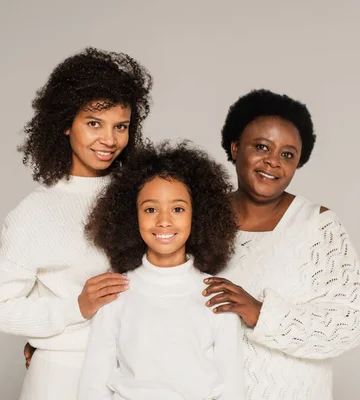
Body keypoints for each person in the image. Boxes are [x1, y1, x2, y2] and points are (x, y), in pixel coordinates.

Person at [0, 47, 152, 400]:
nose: (109, 139)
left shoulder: (145, 198)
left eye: (121, 126)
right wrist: (75, 307)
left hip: (135, 372)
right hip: (63, 378)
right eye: (93, 123)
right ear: (65, 125)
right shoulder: (36, 212)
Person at [203, 89, 360, 399]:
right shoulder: (197, 218)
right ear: (236, 147)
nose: (273, 162)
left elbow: (352, 325)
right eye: (261, 147)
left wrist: (261, 314)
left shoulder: (318, 226)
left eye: (287, 154)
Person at [80, 141, 244, 400]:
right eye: (150, 209)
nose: (164, 220)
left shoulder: (215, 294)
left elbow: (231, 385)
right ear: (132, 216)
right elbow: (93, 383)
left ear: (198, 215)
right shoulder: (116, 292)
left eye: (178, 209)